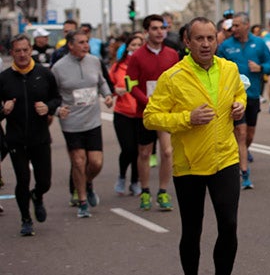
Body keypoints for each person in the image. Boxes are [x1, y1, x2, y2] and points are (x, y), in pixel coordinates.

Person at [143, 17, 247, 275]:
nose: (205, 44)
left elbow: (238, 93)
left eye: (210, 38)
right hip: (189, 164)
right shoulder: (173, 77)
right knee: (192, 230)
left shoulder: (228, 69)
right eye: (198, 39)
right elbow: (151, 117)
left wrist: (239, 105)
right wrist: (186, 117)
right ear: (187, 42)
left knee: (228, 225)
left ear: (217, 41)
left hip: (225, 159)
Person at [0, 34, 61, 236]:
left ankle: (38, 196)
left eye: (26, 50)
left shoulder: (44, 74)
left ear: (30, 50)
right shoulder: (4, 78)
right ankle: (26, 219)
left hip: (40, 137)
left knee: (45, 181)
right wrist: (4, 111)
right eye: (18, 51)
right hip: (16, 139)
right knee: (23, 179)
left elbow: (56, 98)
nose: (23, 54)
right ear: (12, 53)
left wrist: (48, 107)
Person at [51, 30, 114, 218]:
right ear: (70, 45)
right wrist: (56, 110)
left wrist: (107, 95)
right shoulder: (58, 68)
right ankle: (83, 201)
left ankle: (86, 183)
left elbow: (102, 82)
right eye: (81, 42)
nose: (86, 45)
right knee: (78, 161)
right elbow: (51, 95)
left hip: (92, 120)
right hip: (71, 122)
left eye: (87, 42)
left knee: (96, 163)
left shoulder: (94, 61)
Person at [218, 12, 270, 189]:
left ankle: (241, 153)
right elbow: (217, 67)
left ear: (246, 25)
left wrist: (261, 67)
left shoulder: (258, 43)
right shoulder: (226, 46)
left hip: (253, 96)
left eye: (236, 25)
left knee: (249, 135)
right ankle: (245, 173)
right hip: (233, 98)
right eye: (232, 26)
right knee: (241, 134)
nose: (233, 29)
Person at [127, 14, 179, 210]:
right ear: (147, 31)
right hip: (145, 113)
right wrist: (146, 101)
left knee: (167, 152)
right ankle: (146, 190)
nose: (160, 32)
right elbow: (130, 83)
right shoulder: (137, 56)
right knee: (145, 152)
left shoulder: (172, 54)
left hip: (165, 113)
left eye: (162, 28)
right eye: (155, 28)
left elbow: (177, 80)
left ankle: (163, 191)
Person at [111, 33, 145, 197]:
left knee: (139, 150)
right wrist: (115, 91)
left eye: (139, 45)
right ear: (127, 48)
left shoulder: (144, 65)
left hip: (140, 113)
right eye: (133, 45)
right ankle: (122, 176)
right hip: (123, 113)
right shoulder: (118, 67)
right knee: (128, 149)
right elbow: (108, 85)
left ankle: (134, 181)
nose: (136, 48)